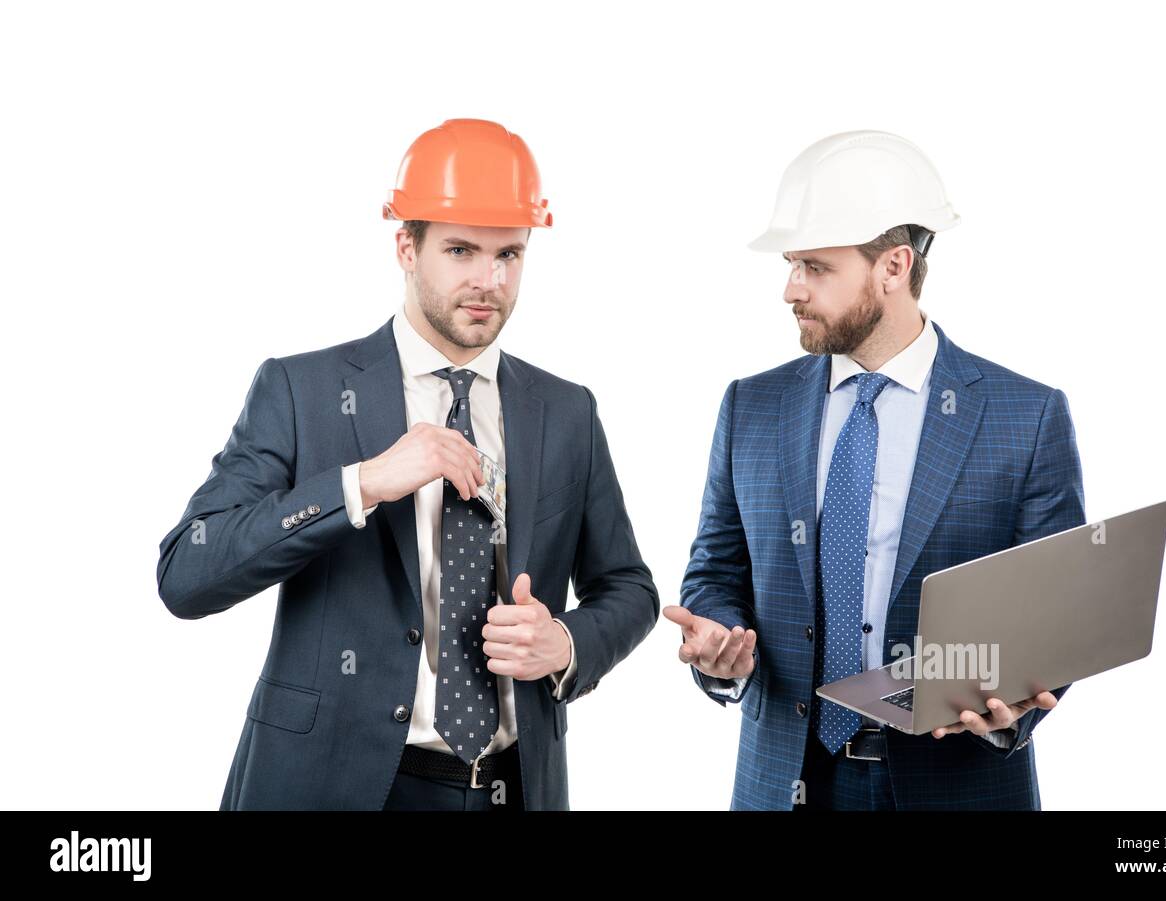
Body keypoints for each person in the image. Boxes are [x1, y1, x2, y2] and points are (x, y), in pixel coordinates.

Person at [157, 118, 658, 810]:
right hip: (335, 785)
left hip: (511, 786)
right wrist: (358, 485)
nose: (489, 281)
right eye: (461, 251)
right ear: (406, 247)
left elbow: (629, 587)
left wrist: (564, 642)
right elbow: (187, 573)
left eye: (509, 254)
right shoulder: (302, 391)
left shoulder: (566, 409)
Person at [665, 130, 1083, 810]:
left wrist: (1021, 706)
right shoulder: (752, 407)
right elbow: (715, 573)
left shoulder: (1026, 417)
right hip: (789, 781)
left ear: (893, 267)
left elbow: (1057, 613)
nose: (789, 288)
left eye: (815, 267)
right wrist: (718, 641)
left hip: (958, 783)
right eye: (791, 263)